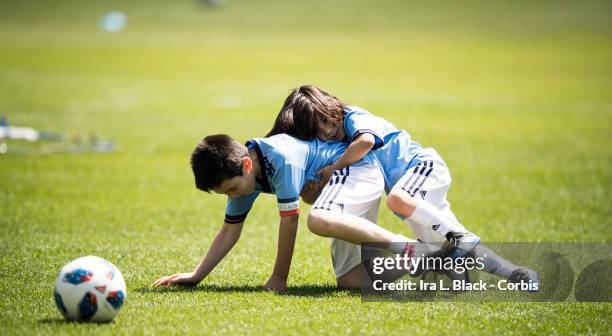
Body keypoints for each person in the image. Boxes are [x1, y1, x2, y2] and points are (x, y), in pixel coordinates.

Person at [267, 85, 539, 284]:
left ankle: (458, 238)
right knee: (443, 241)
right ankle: (513, 272)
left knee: (397, 200)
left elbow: (366, 142)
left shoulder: (352, 116)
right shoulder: (338, 138)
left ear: (332, 107)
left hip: (422, 168)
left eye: (327, 122)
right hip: (412, 191)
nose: (328, 132)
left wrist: (333, 169)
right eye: (320, 131)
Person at [153, 134, 428, 292]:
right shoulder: (244, 179)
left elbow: (290, 220)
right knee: (351, 281)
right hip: (345, 186)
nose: (233, 196)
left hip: (358, 171)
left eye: (232, 189)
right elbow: (229, 231)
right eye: (226, 193)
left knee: (317, 219)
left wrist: (279, 278)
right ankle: (439, 270)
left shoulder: (279, 159)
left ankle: (409, 248)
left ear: (246, 165)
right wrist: (196, 275)